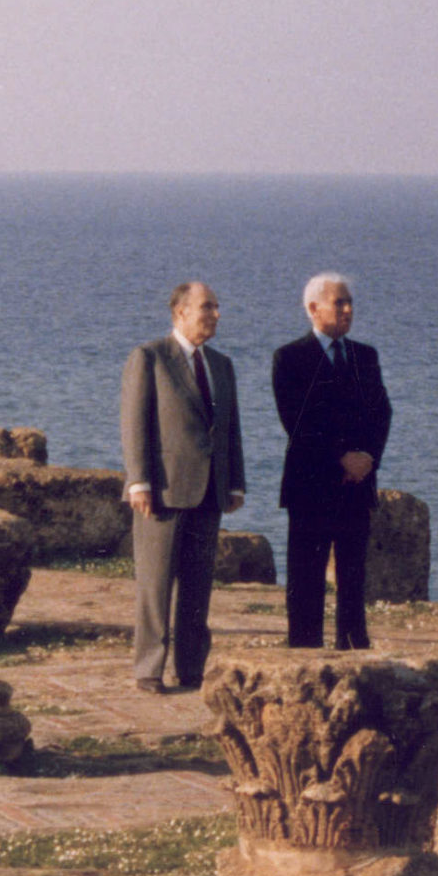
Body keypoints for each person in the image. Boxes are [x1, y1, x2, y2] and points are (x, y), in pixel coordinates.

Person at [120, 281, 245, 693]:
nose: (216, 314)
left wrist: (236, 483)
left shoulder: (222, 365)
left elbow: (231, 430)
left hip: (210, 489)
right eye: (207, 307)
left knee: (198, 584)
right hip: (164, 489)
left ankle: (191, 667)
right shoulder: (150, 357)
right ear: (180, 312)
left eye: (216, 306)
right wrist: (138, 481)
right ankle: (149, 668)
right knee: (155, 583)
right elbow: (135, 423)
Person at [270, 271, 392, 649]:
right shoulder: (290, 358)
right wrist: (342, 458)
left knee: (353, 574)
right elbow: (297, 420)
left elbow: (382, 412)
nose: (348, 309)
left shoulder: (364, 356)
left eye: (349, 302)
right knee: (306, 575)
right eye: (339, 302)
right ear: (313, 308)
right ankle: (305, 649)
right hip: (311, 484)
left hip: (356, 484)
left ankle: (353, 644)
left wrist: (368, 458)